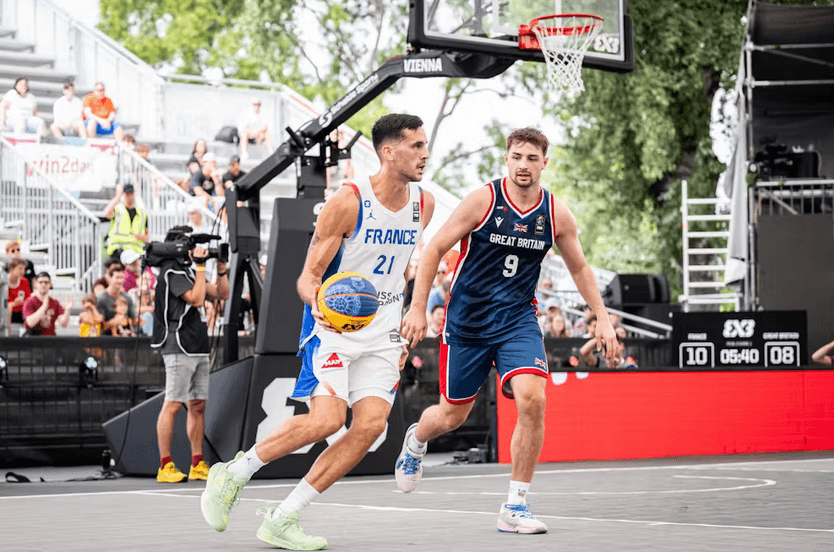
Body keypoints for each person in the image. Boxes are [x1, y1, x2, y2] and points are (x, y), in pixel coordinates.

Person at [200, 113, 435, 550]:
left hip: (383, 332)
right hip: (333, 329)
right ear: (389, 151)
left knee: (368, 428)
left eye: (425, 145)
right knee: (327, 419)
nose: (425, 153)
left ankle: (284, 517)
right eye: (416, 146)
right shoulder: (348, 201)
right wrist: (321, 304)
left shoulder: (425, 203)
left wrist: (404, 325)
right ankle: (232, 474)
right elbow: (306, 277)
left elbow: (401, 271)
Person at [397, 127, 617, 534]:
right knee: (451, 415)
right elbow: (434, 249)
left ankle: (515, 504)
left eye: (532, 158)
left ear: (544, 163)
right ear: (507, 158)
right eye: (517, 156)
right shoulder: (484, 200)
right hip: (467, 323)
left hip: (517, 320)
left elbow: (580, 268)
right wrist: (417, 308)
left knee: (533, 398)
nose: (523, 165)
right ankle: (416, 441)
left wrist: (602, 316)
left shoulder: (556, 214)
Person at [152, 241, 228, 483]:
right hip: (178, 345)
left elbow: (221, 293)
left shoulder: (190, 272)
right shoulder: (172, 272)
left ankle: (197, 463)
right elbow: (196, 299)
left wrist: (222, 267)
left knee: (197, 405)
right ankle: (165, 465)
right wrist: (201, 266)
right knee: (173, 404)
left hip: (197, 345)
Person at [103, 183, 148, 260]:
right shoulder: (117, 209)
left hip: (136, 250)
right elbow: (106, 213)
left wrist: (141, 237)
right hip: (118, 249)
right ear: (123, 195)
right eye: (127, 194)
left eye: (131, 194)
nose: (129, 196)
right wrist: (117, 197)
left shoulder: (142, 213)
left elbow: (147, 237)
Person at [96, 266, 138, 336]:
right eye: (117, 277)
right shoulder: (101, 298)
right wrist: (115, 322)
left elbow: (133, 320)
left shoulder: (127, 297)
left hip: (125, 336)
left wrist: (137, 321)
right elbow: (100, 324)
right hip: (106, 337)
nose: (120, 281)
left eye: (122, 278)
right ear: (110, 279)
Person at [6, 258, 31, 325]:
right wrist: (14, 303)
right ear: (11, 269)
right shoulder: (3, 283)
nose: (23, 272)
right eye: (20, 269)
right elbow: (4, 305)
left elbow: (28, 301)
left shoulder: (25, 281)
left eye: (24, 269)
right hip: (6, 313)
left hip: (21, 313)